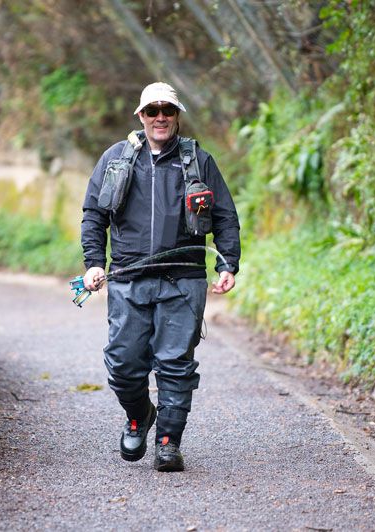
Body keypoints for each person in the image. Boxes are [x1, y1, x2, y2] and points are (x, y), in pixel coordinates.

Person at [80, 82, 240, 472]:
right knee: (123, 363)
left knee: (175, 364)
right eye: (152, 111)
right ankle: (139, 416)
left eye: (167, 110)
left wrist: (227, 264)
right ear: (141, 116)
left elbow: (224, 217)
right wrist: (93, 262)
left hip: (183, 280)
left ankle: (169, 442)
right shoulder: (116, 159)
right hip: (128, 278)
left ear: (177, 115)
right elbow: (94, 214)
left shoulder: (198, 161)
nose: (160, 117)